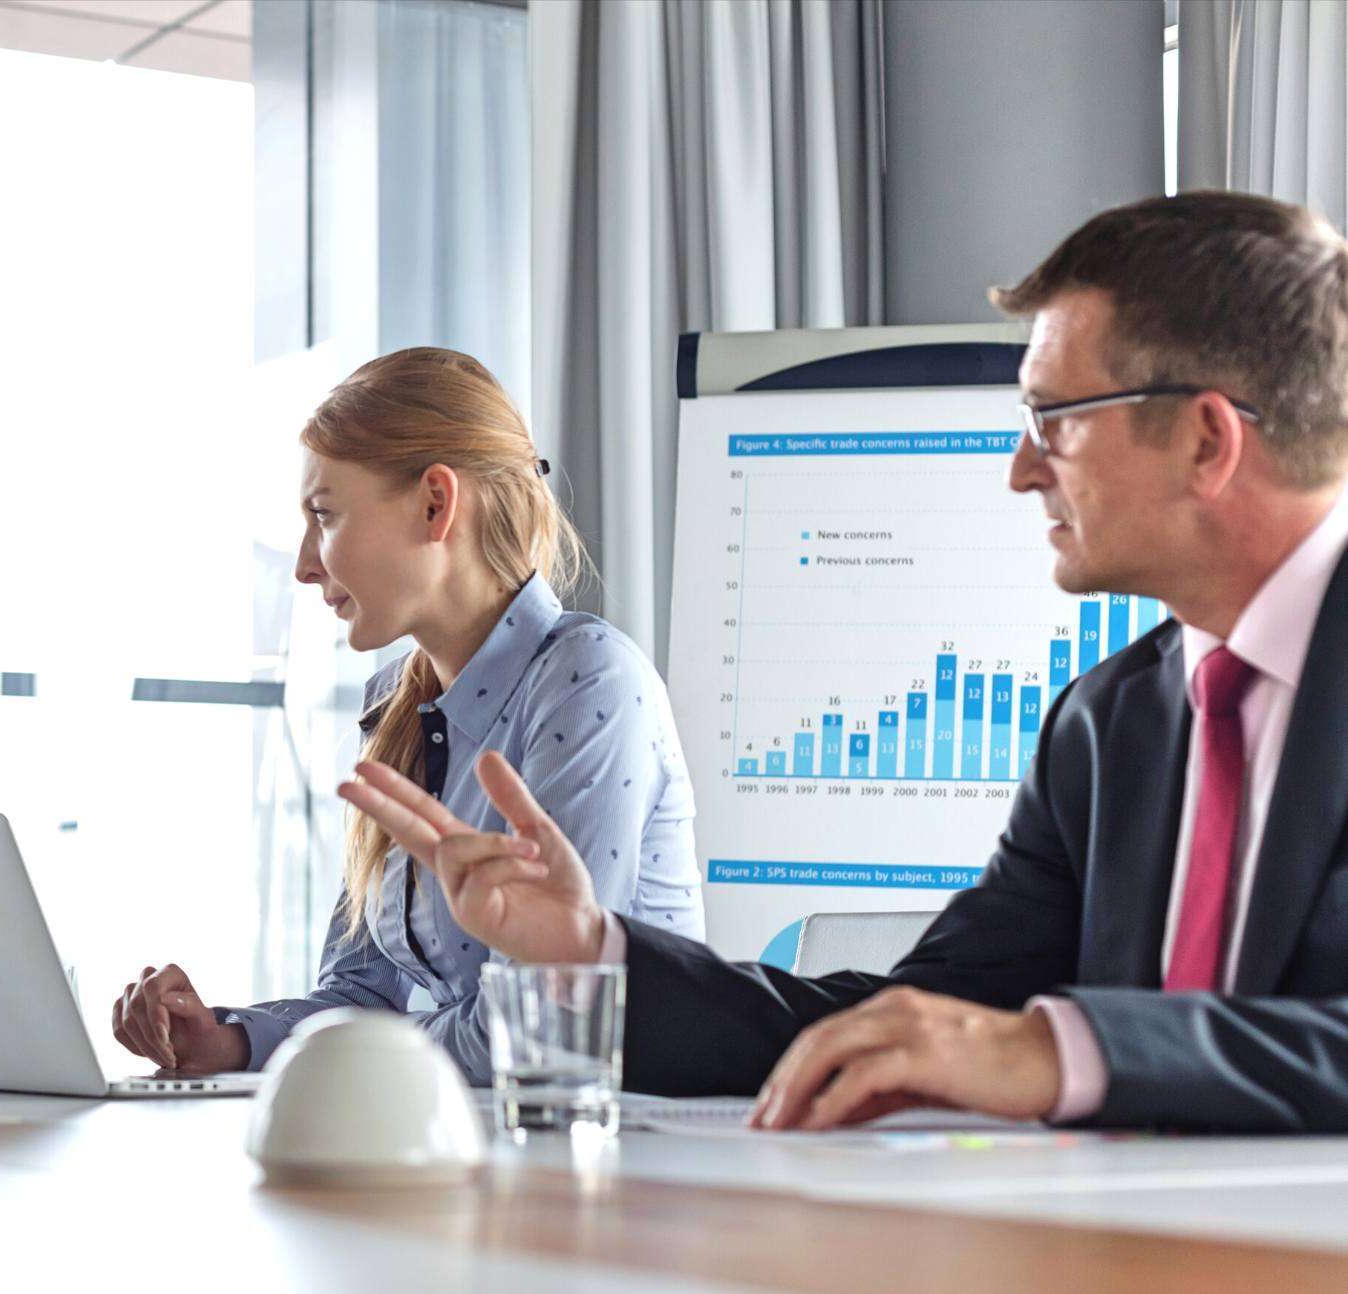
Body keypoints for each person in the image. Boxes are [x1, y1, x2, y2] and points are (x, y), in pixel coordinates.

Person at [340, 191, 1348, 1133]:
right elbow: (907, 1019)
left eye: (1053, 418)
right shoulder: (1105, 723)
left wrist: (1062, 1048)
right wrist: (593, 951)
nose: (1018, 467)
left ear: (1206, 440)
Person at [111, 348, 705, 1083]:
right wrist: (227, 1043)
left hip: (623, 1158)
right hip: (475, 1147)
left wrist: (346, 1057)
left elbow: (535, 1027)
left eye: (324, 516)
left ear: (435, 504)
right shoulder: (396, 703)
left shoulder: (590, 682)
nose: (303, 562)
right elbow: (361, 995)